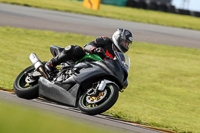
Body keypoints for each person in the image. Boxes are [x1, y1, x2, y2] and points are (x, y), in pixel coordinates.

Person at [45, 28, 133, 71]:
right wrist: (95, 50)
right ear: (118, 38)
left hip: (97, 69)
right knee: (76, 49)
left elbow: (120, 68)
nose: (125, 45)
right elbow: (88, 45)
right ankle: (52, 63)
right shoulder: (105, 40)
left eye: (127, 43)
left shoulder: (120, 57)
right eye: (124, 42)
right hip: (85, 59)